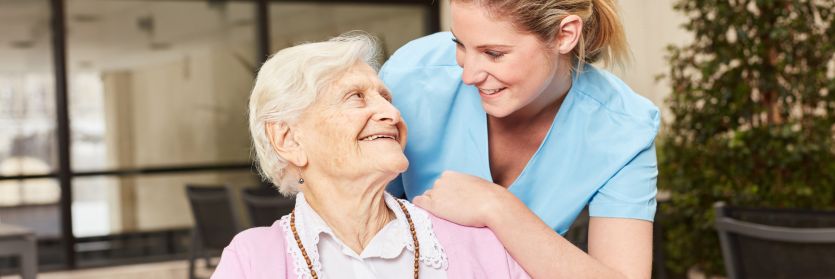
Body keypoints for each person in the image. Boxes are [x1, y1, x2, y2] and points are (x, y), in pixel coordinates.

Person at [211, 34, 529, 279]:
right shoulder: (252, 260)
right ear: (288, 138)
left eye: (386, 98)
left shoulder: (475, 241)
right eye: (356, 98)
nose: (390, 112)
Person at [381, 0, 659, 278]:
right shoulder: (411, 77)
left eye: (494, 53)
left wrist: (498, 207)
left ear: (565, 35)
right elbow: (352, 220)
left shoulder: (624, 130)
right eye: (460, 44)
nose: (468, 75)